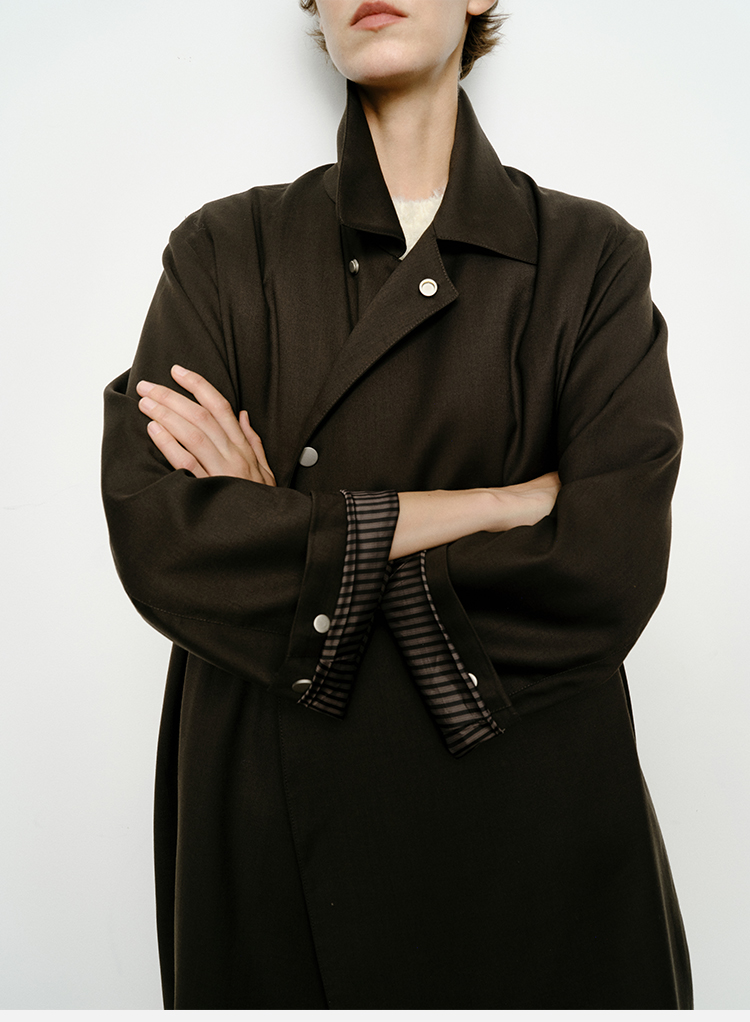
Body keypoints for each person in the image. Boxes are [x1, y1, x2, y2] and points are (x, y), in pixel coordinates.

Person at [101, 0, 693, 1009]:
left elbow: (609, 562)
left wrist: (289, 530)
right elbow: (166, 540)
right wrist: (499, 504)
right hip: (275, 815)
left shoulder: (590, 256)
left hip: (532, 823)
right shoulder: (224, 248)